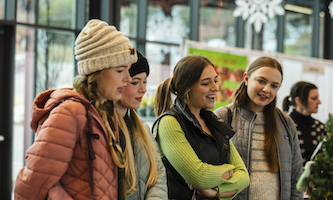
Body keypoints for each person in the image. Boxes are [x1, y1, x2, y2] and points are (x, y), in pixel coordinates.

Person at [14, 19, 138, 199]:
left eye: (128, 69)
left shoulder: (102, 113)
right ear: (96, 71)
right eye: (120, 70)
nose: (128, 79)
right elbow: (29, 187)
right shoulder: (69, 113)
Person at [152, 55, 249, 199]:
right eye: (205, 83)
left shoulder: (214, 122)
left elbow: (244, 177)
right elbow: (199, 176)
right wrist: (230, 171)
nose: (215, 88)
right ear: (187, 88)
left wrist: (216, 192)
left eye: (215, 80)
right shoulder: (169, 123)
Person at [214, 56, 303, 200]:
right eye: (261, 81)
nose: (267, 89)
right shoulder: (223, 117)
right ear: (247, 78)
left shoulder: (286, 122)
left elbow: (296, 175)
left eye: (274, 86)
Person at [115, 51, 168, 199]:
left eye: (144, 81)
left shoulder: (143, 129)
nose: (143, 89)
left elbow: (158, 176)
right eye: (135, 82)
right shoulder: (101, 126)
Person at [282, 81, 326, 165]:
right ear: (299, 100)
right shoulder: (284, 125)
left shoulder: (320, 127)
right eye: (314, 98)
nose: (319, 102)